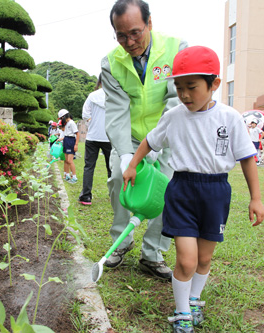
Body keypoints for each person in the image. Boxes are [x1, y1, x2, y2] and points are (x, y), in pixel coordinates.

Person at [122, 46, 264, 333]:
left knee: (204, 258)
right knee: (186, 260)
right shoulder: (174, 116)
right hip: (182, 191)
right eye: (178, 87)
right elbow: (149, 141)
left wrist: (256, 198)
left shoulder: (230, 117)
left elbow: (247, 158)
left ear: (214, 84)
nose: (184, 94)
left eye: (191, 87)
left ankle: (195, 299)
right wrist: (132, 165)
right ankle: (182, 311)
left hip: (216, 192)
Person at [101, 0, 188, 280]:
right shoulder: (111, 62)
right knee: (118, 178)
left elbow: (177, 101)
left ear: (150, 23)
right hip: (130, 135)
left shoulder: (176, 49)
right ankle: (121, 240)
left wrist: (155, 144)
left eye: (136, 32)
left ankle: (152, 251)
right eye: (121, 35)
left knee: (168, 189)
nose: (130, 41)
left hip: (169, 134)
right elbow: (116, 112)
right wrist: (128, 154)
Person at [78, 74, 112, 206]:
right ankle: (113, 195)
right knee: (112, 168)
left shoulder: (92, 96)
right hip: (109, 137)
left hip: (92, 137)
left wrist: (91, 124)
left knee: (89, 167)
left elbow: (85, 114)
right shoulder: (114, 96)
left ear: (100, 81)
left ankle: (86, 196)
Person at [57, 109, 79, 184]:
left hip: (71, 142)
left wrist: (76, 145)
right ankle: (67, 175)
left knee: (70, 160)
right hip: (66, 140)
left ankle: (74, 177)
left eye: (60, 118)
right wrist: (61, 139)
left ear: (64, 116)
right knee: (66, 160)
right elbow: (66, 134)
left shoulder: (72, 123)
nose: (60, 120)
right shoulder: (66, 123)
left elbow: (77, 134)